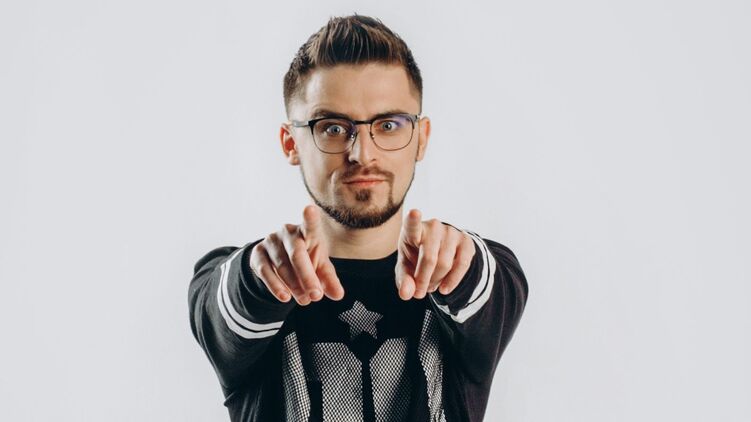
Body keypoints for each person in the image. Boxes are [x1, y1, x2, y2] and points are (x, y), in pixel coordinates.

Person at [188, 14, 529, 422]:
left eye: (388, 125)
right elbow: (224, 309)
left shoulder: (466, 278)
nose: (362, 153)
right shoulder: (246, 282)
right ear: (291, 143)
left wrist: (459, 260)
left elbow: (488, 288)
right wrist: (261, 274)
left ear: (420, 139)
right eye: (332, 128)